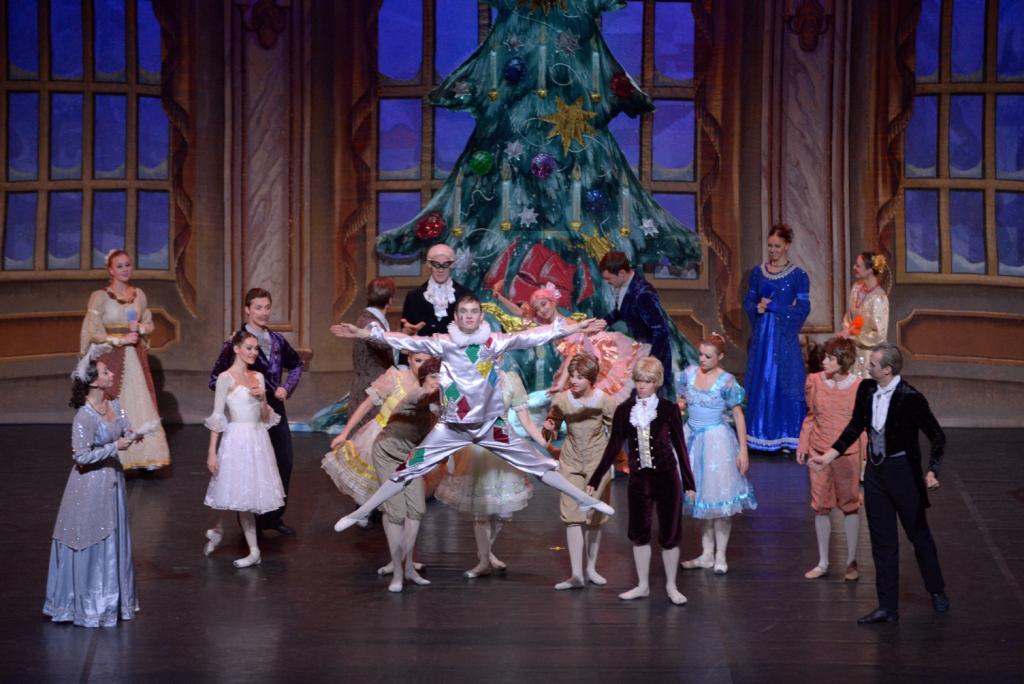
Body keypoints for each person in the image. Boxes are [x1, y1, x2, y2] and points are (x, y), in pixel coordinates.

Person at [329, 293, 614, 536]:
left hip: (491, 426)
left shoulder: (494, 342)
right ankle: (361, 512)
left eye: (473, 312)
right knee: (408, 468)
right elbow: (405, 341)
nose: (468, 316)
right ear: (456, 317)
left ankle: (584, 499)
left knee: (539, 465)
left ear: (480, 317)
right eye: (463, 312)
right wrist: (364, 333)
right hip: (452, 428)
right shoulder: (444, 342)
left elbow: (532, 336)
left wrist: (575, 326)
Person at [811, 343, 948, 624]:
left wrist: (932, 470)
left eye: (872, 364)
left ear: (887, 369)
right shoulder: (866, 389)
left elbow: (937, 435)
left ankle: (936, 589)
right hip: (876, 473)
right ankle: (887, 607)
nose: (867, 367)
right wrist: (828, 456)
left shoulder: (910, 398)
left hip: (903, 474)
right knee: (882, 541)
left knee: (918, 535)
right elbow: (855, 426)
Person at [44, 345, 141, 627]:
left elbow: (124, 427)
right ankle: (90, 604)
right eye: (105, 372)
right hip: (89, 485)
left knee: (113, 537)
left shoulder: (114, 405)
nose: (111, 374)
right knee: (94, 537)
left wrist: (133, 434)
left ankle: (114, 601)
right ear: (93, 381)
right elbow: (81, 456)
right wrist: (114, 447)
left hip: (112, 481)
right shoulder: (84, 416)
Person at [587, 357, 696, 605]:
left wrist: (689, 483)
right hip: (639, 480)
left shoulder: (668, 409)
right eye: (638, 380)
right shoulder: (624, 410)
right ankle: (642, 585)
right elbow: (613, 447)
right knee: (639, 532)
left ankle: (671, 585)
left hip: (667, 478)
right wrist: (596, 477)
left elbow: (680, 447)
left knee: (670, 533)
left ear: (656, 382)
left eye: (647, 381)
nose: (642, 385)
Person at [209, 288, 304, 536]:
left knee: (283, 461)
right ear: (247, 310)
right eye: (258, 308)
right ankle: (251, 522)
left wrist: (286, 387)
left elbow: (296, 364)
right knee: (249, 466)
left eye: (267, 307)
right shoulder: (236, 342)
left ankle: (272, 517)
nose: (263, 313)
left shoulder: (277, 340)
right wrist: (240, 391)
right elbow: (216, 379)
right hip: (247, 410)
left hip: (273, 406)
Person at [434, 366, 536, 579]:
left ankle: (486, 553)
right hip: (476, 448)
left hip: (503, 447)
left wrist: (545, 446)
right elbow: (450, 411)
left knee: (501, 510)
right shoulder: (465, 379)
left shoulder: (510, 380)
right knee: (481, 510)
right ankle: (483, 560)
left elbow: (525, 420)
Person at [79, 249, 169, 470]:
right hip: (111, 355)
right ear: (110, 270)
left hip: (134, 357)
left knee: (138, 401)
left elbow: (148, 322)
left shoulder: (138, 294)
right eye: (119, 266)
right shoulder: (100, 297)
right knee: (113, 400)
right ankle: (114, 454)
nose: (125, 269)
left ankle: (143, 456)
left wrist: (139, 328)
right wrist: (120, 339)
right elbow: (93, 330)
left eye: (127, 265)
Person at [202, 330, 285, 568]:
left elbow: (266, 417)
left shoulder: (258, 377)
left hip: (257, 440)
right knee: (237, 493)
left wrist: (262, 399)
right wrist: (211, 452)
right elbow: (218, 417)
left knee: (245, 494)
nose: (253, 352)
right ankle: (252, 549)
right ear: (236, 349)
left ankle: (223, 533)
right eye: (249, 347)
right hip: (236, 439)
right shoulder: (225, 378)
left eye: (256, 348)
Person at [678, 335, 756, 576]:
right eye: (700, 354)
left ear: (720, 357)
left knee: (719, 501)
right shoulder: (688, 375)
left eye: (708, 356)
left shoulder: (726, 381)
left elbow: (738, 415)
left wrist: (743, 451)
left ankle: (720, 554)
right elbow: (681, 401)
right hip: (692, 439)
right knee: (700, 500)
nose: (702, 359)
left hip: (716, 442)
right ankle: (706, 553)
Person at [365, 358, 443, 593]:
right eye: (434, 377)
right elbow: (428, 397)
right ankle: (397, 572)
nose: (438, 382)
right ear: (424, 379)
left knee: (417, 508)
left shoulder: (439, 407)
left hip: (410, 455)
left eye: (442, 377)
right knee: (396, 512)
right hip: (387, 452)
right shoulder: (417, 394)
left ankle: (409, 567)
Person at [543, 353, 617, 590]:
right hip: (571, 461)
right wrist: (550, 428)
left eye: (579, 377)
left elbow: (615, 434)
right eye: (572, 376)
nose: (573, 380)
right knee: (572, 516)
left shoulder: (605, 401)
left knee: (594, 517)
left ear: (590, 379)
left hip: (597, 462)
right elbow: (552, 424)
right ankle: (576, 575)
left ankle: (591, 568)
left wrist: (615, 463)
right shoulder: (562, 400)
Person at [796, 337, 864, 581]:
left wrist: (864, 457)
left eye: (830, 358)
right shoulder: (815, 381)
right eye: (825, 357)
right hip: (818, 450)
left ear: (843, 361)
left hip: (847, 454)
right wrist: (803, 444)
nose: (824, 361)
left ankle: (851, 561)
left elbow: (861, 425)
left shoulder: (859, 386)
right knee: (820, 506)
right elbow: (811, 415)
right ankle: (823, 562)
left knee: (850, 504)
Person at [742, 224, 811, 453]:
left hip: (783, 336)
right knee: (762, 379)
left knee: (784, 380)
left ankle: (786, 437)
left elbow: (803, 308)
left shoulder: (798, 275)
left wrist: (776, 307)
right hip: (762, 336)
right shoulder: (758, 272)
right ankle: (758, 435)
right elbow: (748, 301)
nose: (772, 250)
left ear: (787, 246)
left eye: (777, 246)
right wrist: (757, 308)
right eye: (770, 245)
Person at [595, 251, 693, 397]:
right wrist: (602, 322)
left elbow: (661, 330)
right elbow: (622, 310)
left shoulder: (643, 293)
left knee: (650, 398)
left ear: (621, 273)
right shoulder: (625, 286)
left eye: (609, 278)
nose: (608, 282)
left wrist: (651, 360)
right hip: (640, 349)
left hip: (652, 353)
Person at [401, 244, 472, 337]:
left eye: (445, 265)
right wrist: (408, 332)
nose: (440, 270)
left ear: (452, 264)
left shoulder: (466, 295)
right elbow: (406, 332)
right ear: (429, 264)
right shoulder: (414, 296)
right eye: (436, 265)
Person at [841, 252, 890, 379]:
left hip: (868, 357)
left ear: (869, 270)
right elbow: (849, 316)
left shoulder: (879, 298)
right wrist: (847, 329)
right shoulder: (856, 288)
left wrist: (855, 337)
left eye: (858, 266)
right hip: (851, 353)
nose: (854, 268)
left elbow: (879, 335)